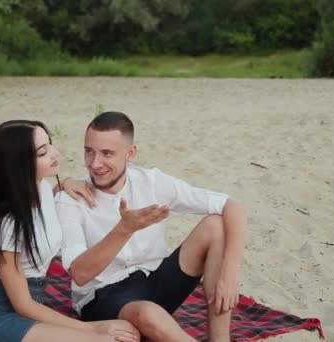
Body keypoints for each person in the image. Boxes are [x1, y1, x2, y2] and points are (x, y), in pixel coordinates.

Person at [56, 112, 247, 342]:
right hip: (102, 298)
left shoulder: (152, 182)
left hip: (154, 279)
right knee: (147, 313)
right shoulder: (70, 199)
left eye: (107, 153)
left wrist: (229, 272)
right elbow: (80, 273)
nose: (95, 164)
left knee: (216, 225)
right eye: (89, 151)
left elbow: (231, 206)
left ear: (131, 153)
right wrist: (124, 229)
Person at [0, 120, 139, 342]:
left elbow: (48, 198)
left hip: (32, 311)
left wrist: (65, 183)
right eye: (42, 152)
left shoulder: (41, 189)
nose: (55, 153)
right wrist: (90, 329)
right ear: (19, 163)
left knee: (126, 330)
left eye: (49, 144)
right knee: (107, 340)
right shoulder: (7, 223)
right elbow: (22, 305)